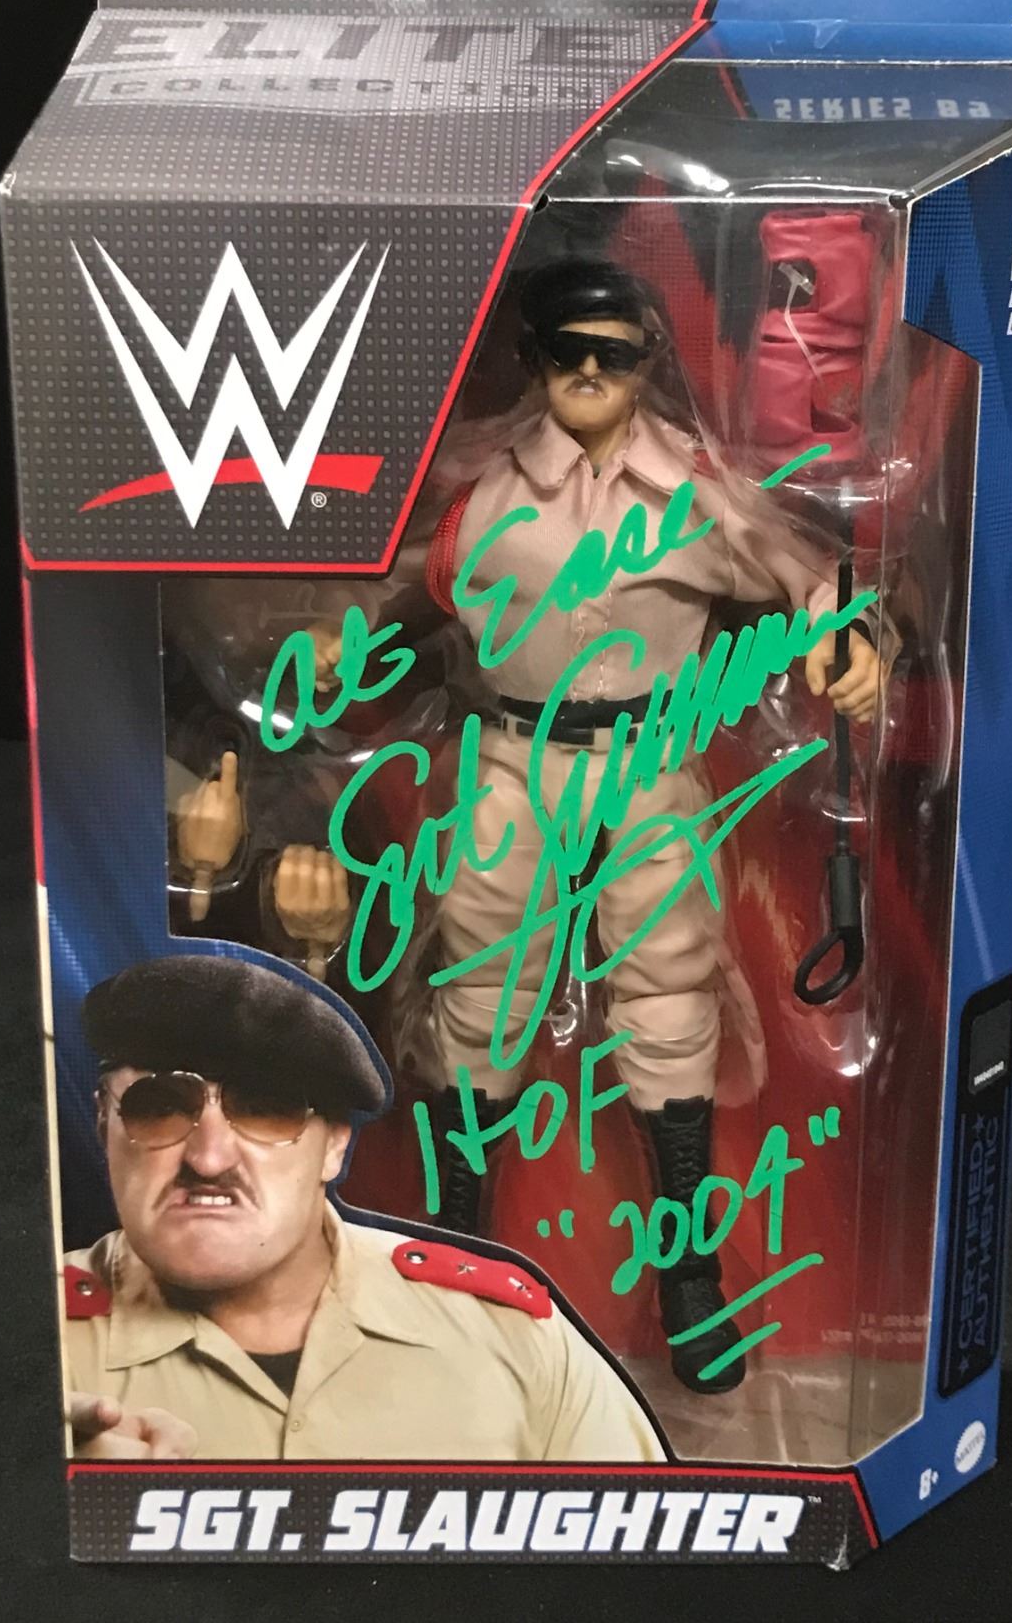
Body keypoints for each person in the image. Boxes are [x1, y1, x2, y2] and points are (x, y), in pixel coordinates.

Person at [174, 257, 882, 1395]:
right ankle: (456, 1251)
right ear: (535, 360)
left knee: (670, 990)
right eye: (570, 353)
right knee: (482, 987)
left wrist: (848, 639)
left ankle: (689, 1273)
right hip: (512, 760)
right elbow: (399, 588)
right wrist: (333, 641)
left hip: (649, 764)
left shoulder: (695, 491)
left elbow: (811, 573)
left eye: (616, 354)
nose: (592, 373)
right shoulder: (486, 492)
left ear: (647, 361)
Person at [63, 954, 667, 1462]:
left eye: (267, 1109)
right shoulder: (34, 1352)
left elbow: (661, 1557)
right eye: (159, 1107)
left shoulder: (511, 1340)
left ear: (335, 1147)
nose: (210, 1156)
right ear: (102, 1125)